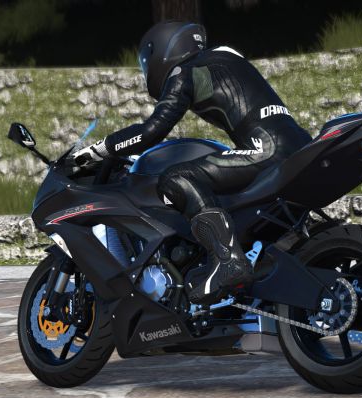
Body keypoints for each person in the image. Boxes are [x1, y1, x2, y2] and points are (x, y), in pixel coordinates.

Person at [73, 21, 310, 304]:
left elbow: (152, 131)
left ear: (162, 50)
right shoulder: (223, 61)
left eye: (147, 61)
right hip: (299, 146)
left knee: (176, 179)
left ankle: (227, 261)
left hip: (266, 150)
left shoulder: (186, 70)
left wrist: (99, 150)